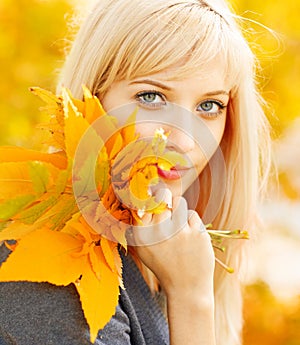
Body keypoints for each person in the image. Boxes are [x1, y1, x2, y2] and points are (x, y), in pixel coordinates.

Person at [0, 0, 271, 344]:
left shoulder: (179, 247)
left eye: (208, 106)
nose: (186, 140)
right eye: (152, 97)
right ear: (94, 95)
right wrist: (191, 300)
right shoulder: (56, 273)